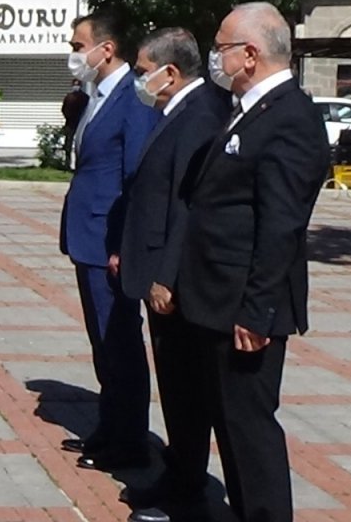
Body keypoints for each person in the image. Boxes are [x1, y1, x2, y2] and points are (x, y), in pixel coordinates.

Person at [174, 2, 330, 522]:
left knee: (250, 430)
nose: (215, 59)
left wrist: (257, 311)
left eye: (220, 48)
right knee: (228, 425)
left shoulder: (290, 117)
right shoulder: (251, 110)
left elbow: (281, 226)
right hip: (217, 298)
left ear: (249, 54)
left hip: (245, 306)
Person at [114, 28, 226, 522]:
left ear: (170, 72)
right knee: (174, 384)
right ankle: (178, 472)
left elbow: (188, 204)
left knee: (184, 388)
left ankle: (186, 485)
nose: (140, 80)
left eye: (143, 71)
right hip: (153, 265)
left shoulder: (200, 114)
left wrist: (166, 275)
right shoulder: (174, 109)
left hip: (173, 279)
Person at [57, 11, 160, 472]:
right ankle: (109, 426)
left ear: (106, 48)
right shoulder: (94, 95)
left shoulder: (132, 97)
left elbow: (133, 175)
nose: (74, 55)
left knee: (120, 341)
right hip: (87, 235)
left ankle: (131, 440)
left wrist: (125, 244)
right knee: (102, 340)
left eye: (79, 46)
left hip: (108, 238)